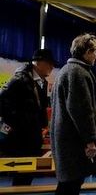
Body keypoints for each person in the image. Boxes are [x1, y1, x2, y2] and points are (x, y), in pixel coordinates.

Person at [51, 33, 96, 195]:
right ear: (86, 52)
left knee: (69, 184)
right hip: (74, 142)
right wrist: (90, 140)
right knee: (70, 185)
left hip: (68, 139)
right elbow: (81, 110)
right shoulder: (77, 73)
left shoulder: (69, 70)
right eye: (94, 52)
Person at [0, 49, 55, 185]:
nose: (52, 67)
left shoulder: (42, 82)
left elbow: (40, 108)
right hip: (20, 138)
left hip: (33, 137)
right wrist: (17, 124)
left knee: (27, 174)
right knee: (21, 175)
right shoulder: (19, 79)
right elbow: (2, 102)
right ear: (38, 62)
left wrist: (43, 125)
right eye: (49, 63)